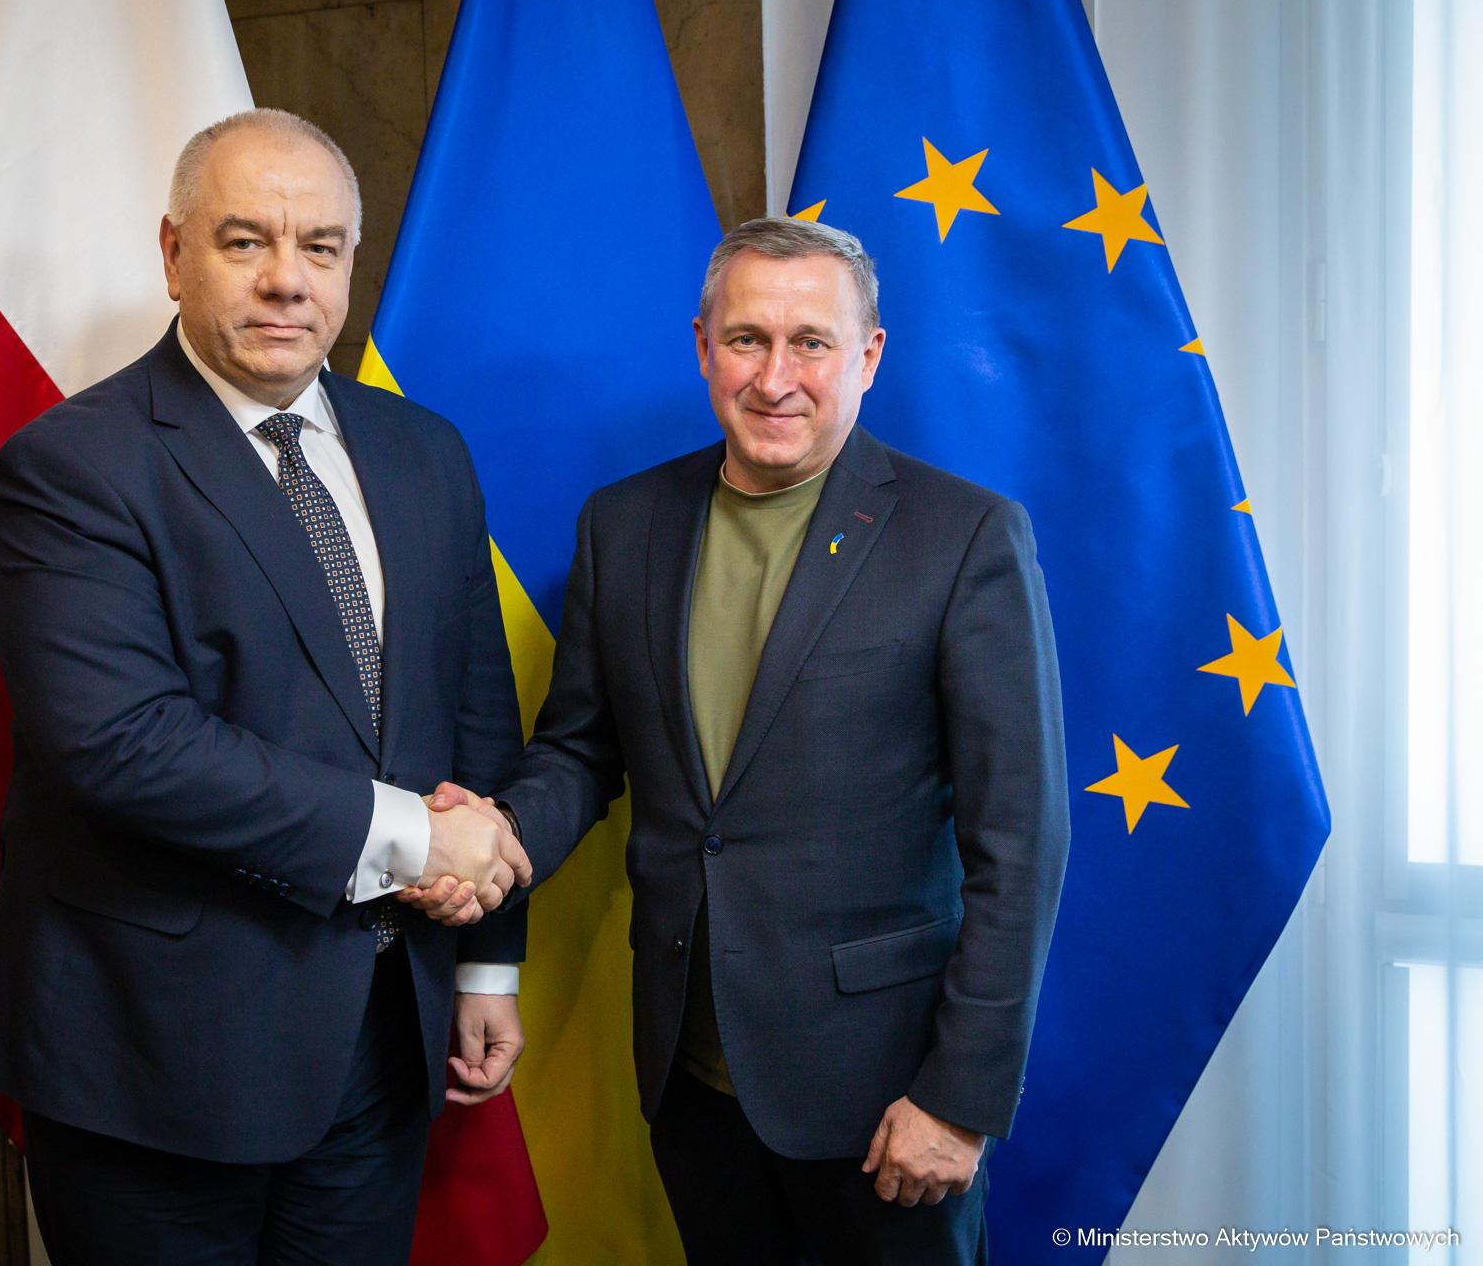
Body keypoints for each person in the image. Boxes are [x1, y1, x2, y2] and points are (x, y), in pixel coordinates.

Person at [415, 216, 1070, 1263]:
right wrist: (498, 836)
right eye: (746, 339)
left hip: (886, 1091)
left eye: (811, 342)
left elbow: (1021, 841)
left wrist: (960, 1096)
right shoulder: (624, 523)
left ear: (869, 355)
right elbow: (581, 750)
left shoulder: (965, 537)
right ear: (702, 346)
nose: (775, 378)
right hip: (690, 1074)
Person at [0, 108, 533, 1265]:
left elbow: (473, 712)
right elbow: (122, 743)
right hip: (153, 1057)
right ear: (173, 251)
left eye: (320, 245)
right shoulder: (73, 465)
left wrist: (485, 957)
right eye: (246, 241)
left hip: (378, 1042)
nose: (288, 279)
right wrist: (417, 842)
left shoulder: (425, 450)